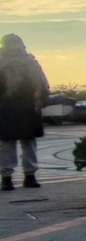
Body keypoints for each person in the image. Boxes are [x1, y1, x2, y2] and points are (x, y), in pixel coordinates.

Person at [0, 35, 50, 191]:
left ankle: (23, 177)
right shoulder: (30, 62)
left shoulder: (30, 63)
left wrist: (40, 100)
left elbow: (42, 85)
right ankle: (10, 178)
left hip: (25, 107)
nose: (15, 47)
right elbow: (43, 86)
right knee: (11, 145)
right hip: (11, 107)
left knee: (24, 144)